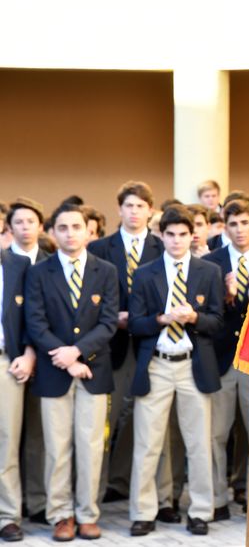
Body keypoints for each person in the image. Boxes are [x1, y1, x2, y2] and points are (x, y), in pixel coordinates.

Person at [127, 206, 223, 537]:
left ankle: (200, 511)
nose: (177, 240)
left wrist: (194, 318)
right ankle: (143, 510)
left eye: (183, 234)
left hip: (191, 363)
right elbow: (135, 324)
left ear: (191, 236)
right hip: (156, 362)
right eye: (170, 234)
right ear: (161, 236)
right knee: (148, 442)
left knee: (198, 442)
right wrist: (162, 319)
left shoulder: (207, 271)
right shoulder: (145, 273)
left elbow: (217, 322)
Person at [25, 203, 119, 541]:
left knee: (92, 446)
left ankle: (87, 514)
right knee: (57, 447)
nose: (69, 233)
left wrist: (78, 352)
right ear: (52, 232)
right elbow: (35, 322)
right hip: (54, 373)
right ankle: (61, 514)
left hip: (93, 372)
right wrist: (64, 357)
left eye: (76, 227)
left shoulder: (105, 270)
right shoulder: (39, 272)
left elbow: (109, 322)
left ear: (88, 230)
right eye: (62, 228)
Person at [88, 181, 177, 520]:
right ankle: (94, 498)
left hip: (153, 345)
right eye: (129, 206)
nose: (135, 212)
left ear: (150, 211)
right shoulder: (99, 248)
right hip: (110, 347)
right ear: (119, 209)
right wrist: (113, 317)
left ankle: (163, 500)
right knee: (105, 425)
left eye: (141, 206)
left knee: (157, 427)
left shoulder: (163, 247)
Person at [202, 200, 249, 531]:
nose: (239, 229)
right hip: (221, 358)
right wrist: (225, 297)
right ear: (225, 227)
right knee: (216, 433)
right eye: (232, 224)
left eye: (245, 222)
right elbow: (203, 311)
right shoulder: (210, 263)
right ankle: (217, 498)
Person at [5, 197, 48, 524]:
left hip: (47, 359)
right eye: (17, 222)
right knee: (8, 437)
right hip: (11, 359)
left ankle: (38, 503)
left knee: (39, 436)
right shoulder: (8, 263)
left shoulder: (49, 263)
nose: (24, 227)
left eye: (30, 221)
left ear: (40, 226)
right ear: (10, 228)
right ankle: (10, 512)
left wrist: (34, 352)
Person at [0, 248, 34, 543]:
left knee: (7, 440)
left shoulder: (19, 265)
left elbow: (31, 315)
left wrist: (29, 354)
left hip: (5, 362)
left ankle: (7, 516)